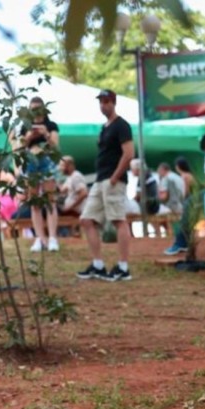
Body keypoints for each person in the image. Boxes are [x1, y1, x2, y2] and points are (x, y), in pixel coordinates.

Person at [77, 89, 134, 282]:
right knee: (87, 220)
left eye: (107, 101)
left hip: (112, 180)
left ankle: (123, 267)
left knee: (118, 219)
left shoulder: (121, 125)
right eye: (101, 102)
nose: (103, 105)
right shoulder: (104, 127)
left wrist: (115, 177)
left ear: (114, 102)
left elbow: (129, 153)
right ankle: (98, 264)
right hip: (100, 180)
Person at [19, 97, 61, 253]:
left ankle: (52, 238)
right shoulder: (25, 126)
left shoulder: (51, 125)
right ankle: (40, 238)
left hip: (47, 162)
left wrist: (46, 134)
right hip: (31, 163)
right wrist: (29, 137)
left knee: (50, 200)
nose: (35, 112)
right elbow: (20, 147)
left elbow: (55, 146)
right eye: (33, 109)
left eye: (38, 108)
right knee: (34, 202)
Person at [163, 157, 199, 256]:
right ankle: (186, 244)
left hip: (190, 201)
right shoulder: (190, 175)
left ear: (178, 166)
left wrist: (182, 201)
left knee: (185, 223)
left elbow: (185, 192)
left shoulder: (185, 176)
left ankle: (181, 244)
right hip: (195, 201)